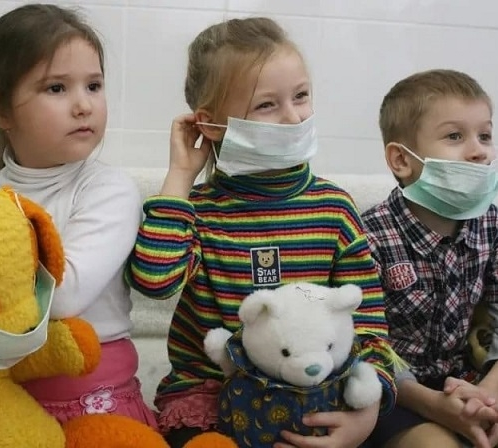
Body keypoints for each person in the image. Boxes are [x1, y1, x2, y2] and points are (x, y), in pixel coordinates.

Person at [126, 16, 398, 448]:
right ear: (211, 125)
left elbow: (367, 323)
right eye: (267, 105)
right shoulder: (197, 210)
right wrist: (180, 175)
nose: (293, 117)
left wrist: (365, 412)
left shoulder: (334, 208)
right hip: (208, 400)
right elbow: (154, 282)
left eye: (301, 96)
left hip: (313, 395)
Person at [0, 3, 157, 429]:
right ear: (1, 110)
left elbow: (64, 296)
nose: (83, 105)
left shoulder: (108, 189)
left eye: (94, 85)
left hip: (98, 405)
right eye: (56, 88)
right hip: (0, 405)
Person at [362, 68, 498, 448]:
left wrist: (491, 393)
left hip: (468, 379)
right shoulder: (369, 236)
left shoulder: (492, 225)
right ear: (401, 160)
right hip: (396, 392)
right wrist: (434, 405)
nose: (479, 150)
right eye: (455, 136)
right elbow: (365, 345)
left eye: (485, 135)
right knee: (433, 444)